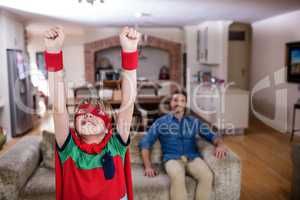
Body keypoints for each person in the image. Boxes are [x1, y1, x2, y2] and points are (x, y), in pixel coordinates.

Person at [44, 26, 140, 200]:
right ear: (75, 125)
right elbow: (59, 108)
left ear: (107, 127)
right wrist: (53, 53)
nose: (88, 115)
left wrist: (130, 51)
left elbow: (127, 104)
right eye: (82, 113)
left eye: (96, 113)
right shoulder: (69, 149)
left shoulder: (116, 146)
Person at [139, 90, 227, 200]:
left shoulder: (194, 121)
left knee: (207, 176)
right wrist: (148, 167)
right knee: (177, 176)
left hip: (192, 157)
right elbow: (145, 143)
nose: (178, 103)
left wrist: (220, 145)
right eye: (175, 100)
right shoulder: (160, 122)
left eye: (182, 101)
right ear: (171, 103)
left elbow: (213, 136)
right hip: (172, 159)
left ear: (185, 104)